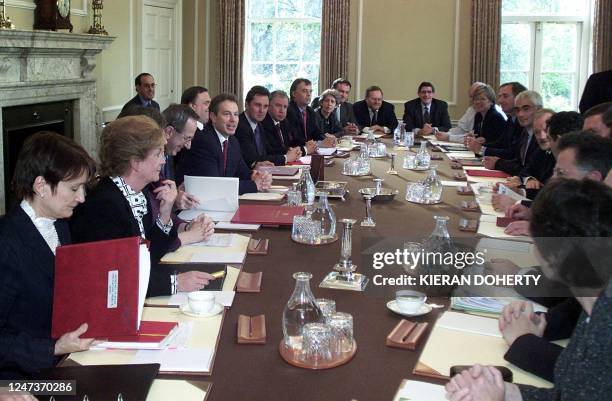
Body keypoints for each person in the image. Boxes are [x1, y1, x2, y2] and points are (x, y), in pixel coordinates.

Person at [446, 178, 612, 401]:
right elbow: (571, 393)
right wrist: (507, 393)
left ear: (550, 256)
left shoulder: (603, 322)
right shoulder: (593, 305)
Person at [70, 116, 215, 296]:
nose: (163, 160)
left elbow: (148, 253)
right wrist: (175, 283)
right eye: (158, 154)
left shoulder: (137, 193)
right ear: (135, 162)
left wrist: (165, 213)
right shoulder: (104, 205)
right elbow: (113, 279)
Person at [0, 132, 96, 379]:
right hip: (20, 380)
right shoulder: (7, 244)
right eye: (74, 188)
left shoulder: (58, 223)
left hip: (61, 358)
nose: (82, 197)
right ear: (41, 186)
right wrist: (54, 348)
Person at [178, 93, 272, 195]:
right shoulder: (203, 140)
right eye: (227, 114)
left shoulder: (232, 142)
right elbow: (216, 185)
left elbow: (242, 172)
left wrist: (257, 176)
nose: (233, 119)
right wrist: (254, 185)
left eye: (236, 114)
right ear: (213, 117)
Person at [235, 86, 298, 167]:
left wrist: (289, 151)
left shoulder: (259, 125)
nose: (262, 110)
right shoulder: (240, 125)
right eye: (258, 105)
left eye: (265, 106)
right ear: (246, 105)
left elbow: (268, 151)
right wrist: (286, 158)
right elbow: (253, 159)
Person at [484, 90, 543, 175]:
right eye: (518, 110)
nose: (520, 114)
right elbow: (518, 162)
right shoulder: (524, 133)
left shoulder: (542, 136)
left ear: (539, 109)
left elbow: (531, 170)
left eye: (526, 109)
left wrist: (498, 163)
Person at [467, 82, 527, 157]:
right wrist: (477, 145)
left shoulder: (523, 122)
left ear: (518, 98)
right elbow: (500, 143)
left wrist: (482, 149)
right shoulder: (511, 119)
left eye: (505, 96)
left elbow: (513, 153)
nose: (500, 101)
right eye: (499, 97)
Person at [286, 78, 335, 152]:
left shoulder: (310, 111)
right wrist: (319, 144)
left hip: (310, 150)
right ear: (294, 94)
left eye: (310, 91)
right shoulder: (288, 111)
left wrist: (326, 139)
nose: (309, 94)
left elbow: (316, 132)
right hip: (295, 151)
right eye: (304, 91)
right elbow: (295, 139)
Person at [260, 90, 303, 161]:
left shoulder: (284, 122)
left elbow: (293, 142)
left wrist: (298, 150)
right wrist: (289, 151)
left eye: (285, 107)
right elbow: (270, 151)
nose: (282, 110)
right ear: (268, 106)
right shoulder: (263, 123)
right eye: (278, 106)